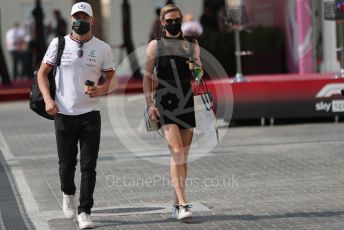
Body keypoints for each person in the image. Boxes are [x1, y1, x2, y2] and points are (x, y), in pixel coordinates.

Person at [37, 2, 116, 229]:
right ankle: (67, 192)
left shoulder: (102, 48)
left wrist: (100, 90)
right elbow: (43, 74)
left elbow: (112, 77)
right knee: (66, 165)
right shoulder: (58, 44)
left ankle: (85, 211)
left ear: (92, 20)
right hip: (63, 112)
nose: (80, 21)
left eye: (84, 17)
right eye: (76, 17)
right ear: (71, 19)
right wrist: (49, 100)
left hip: (90, 113)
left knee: (89, 165)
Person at [143, 4, 203, 221]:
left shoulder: (191, 44)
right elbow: (147, 76)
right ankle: (184, 203)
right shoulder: (155, 46)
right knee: (177, 152)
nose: (174, 23)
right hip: (164, 102)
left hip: (186, 100)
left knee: (183, 158)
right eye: (169, 20)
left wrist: (195, 69)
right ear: (162, 23)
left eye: (177, 19)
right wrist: (150, 104)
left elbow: (198, 75)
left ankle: (176, 204)